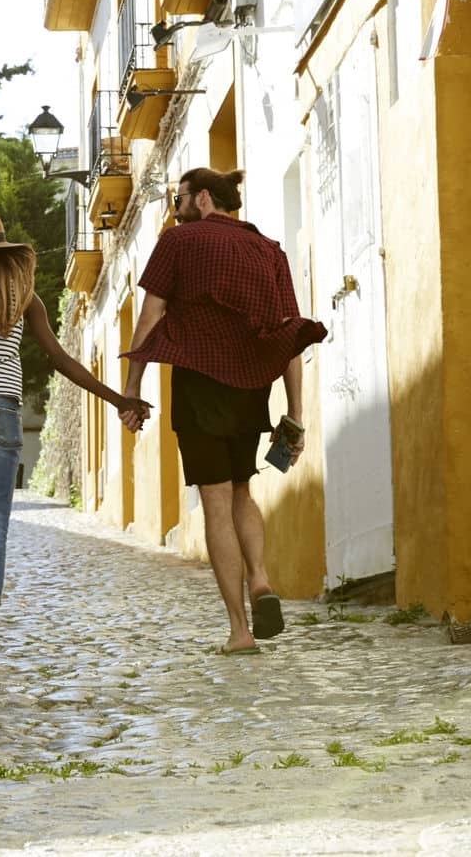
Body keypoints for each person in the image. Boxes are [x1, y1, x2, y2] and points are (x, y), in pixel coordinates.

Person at [0, 211, 149, 664]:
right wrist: (117, 399)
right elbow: (59, 357)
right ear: (4, 250)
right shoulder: (24, 296)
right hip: (3, 409)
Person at [121, 168, 327, 654]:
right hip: (251, 389)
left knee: (215, 503)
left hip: (200, 384)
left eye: (180, 198)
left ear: (205, 199)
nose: (176, 208)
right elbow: (287, 333)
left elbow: (150, 317)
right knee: (241, 491)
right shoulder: (269, 251)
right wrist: (294, 413)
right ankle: (260, 579)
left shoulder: (179, 242)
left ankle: (239, 630)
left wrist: (132, 387)